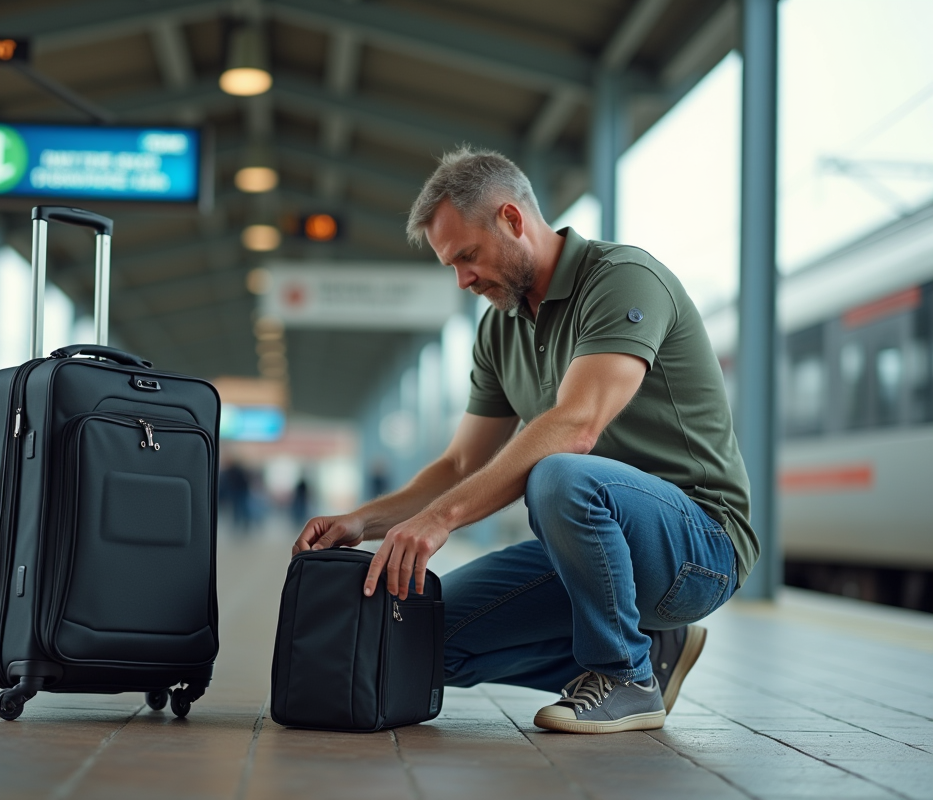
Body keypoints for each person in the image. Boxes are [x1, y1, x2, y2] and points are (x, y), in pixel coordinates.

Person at [293, 147, 757, 735]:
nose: (463, 279)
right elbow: (462, 461)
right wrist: (363, 520)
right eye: (451, 266)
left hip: (699, 546)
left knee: (559, 472)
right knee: (419, 639)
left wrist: (440, 521)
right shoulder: (498, 329)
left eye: (468, 256)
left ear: (513, 220)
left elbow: (577, 425)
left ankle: (623, 677)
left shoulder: (620, 280)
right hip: (588, 550)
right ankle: (649, 654)